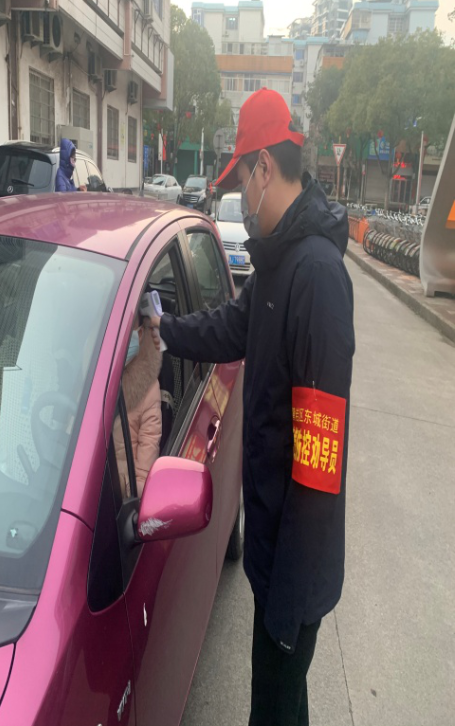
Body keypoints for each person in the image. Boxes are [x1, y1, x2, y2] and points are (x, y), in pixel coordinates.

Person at [149, 88, 355, 726]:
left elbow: (319, 460)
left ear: (264, 167)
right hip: (270, 549)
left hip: (295, 569)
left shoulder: (316, 277)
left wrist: (287, 601)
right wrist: (163, 330)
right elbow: (229, 328)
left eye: (241, 179)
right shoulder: (276, 264)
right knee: (284, 706)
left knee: (272, 706)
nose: (240, 194)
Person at [114, 311, 162, 498]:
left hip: (121, 492)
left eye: (126, 328)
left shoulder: (149, 388)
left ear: (140, 333)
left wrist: (127, 493)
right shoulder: (90, 371)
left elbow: (143, 478)